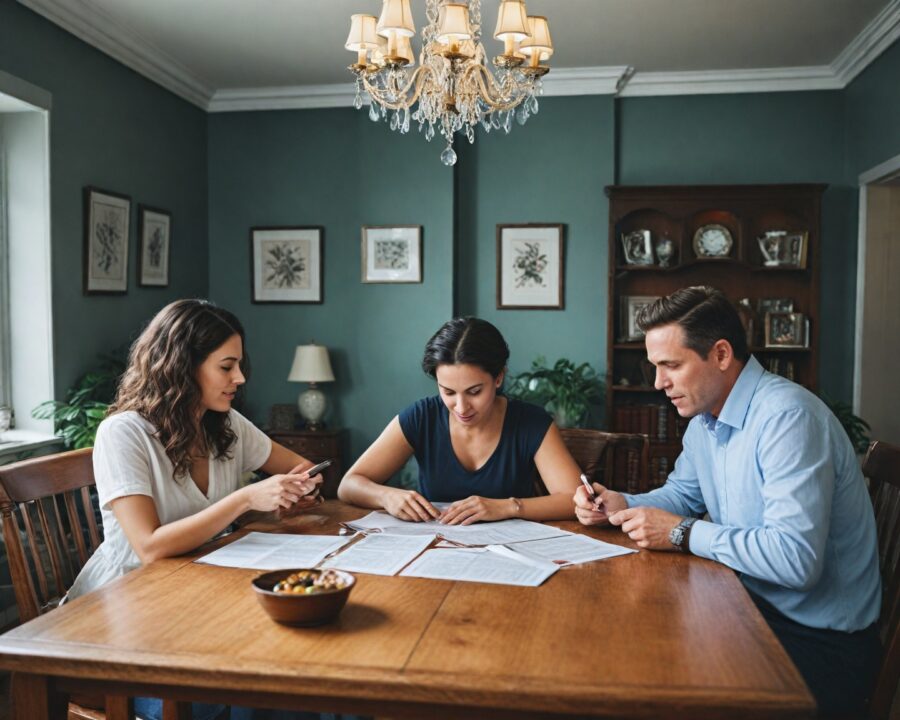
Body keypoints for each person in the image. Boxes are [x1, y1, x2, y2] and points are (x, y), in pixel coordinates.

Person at [574, 286, 881, 718]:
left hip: (820, 642)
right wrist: (619, 503)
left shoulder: (787, 418)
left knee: (651, 687)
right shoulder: (706, 417)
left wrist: (681, 532)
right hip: (748, 607)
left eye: (671, 366)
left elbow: (795, 561)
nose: (659, 383)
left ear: (720, 354)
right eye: (655, 367)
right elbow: (682, 494)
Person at [67, 299, 325, 720]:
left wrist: (302, 487)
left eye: (238, 365)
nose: (239, 378)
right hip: (123, 626)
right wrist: (245, 499)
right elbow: (149, 548)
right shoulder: (124, 434)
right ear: (183, 366)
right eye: (226, 367)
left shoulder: (224, 423)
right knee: (266, 681)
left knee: (297, 664)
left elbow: (302, 468)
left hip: (201, 601)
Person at [338, 317, 581, 524]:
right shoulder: (422, 417)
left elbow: (574, 498)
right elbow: (348, 485)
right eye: (448, 392)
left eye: (474, 392)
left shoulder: (531, 422)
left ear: (498, 377)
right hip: (436, 554)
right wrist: (386, 496)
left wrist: (507, 507)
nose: (461, 407)